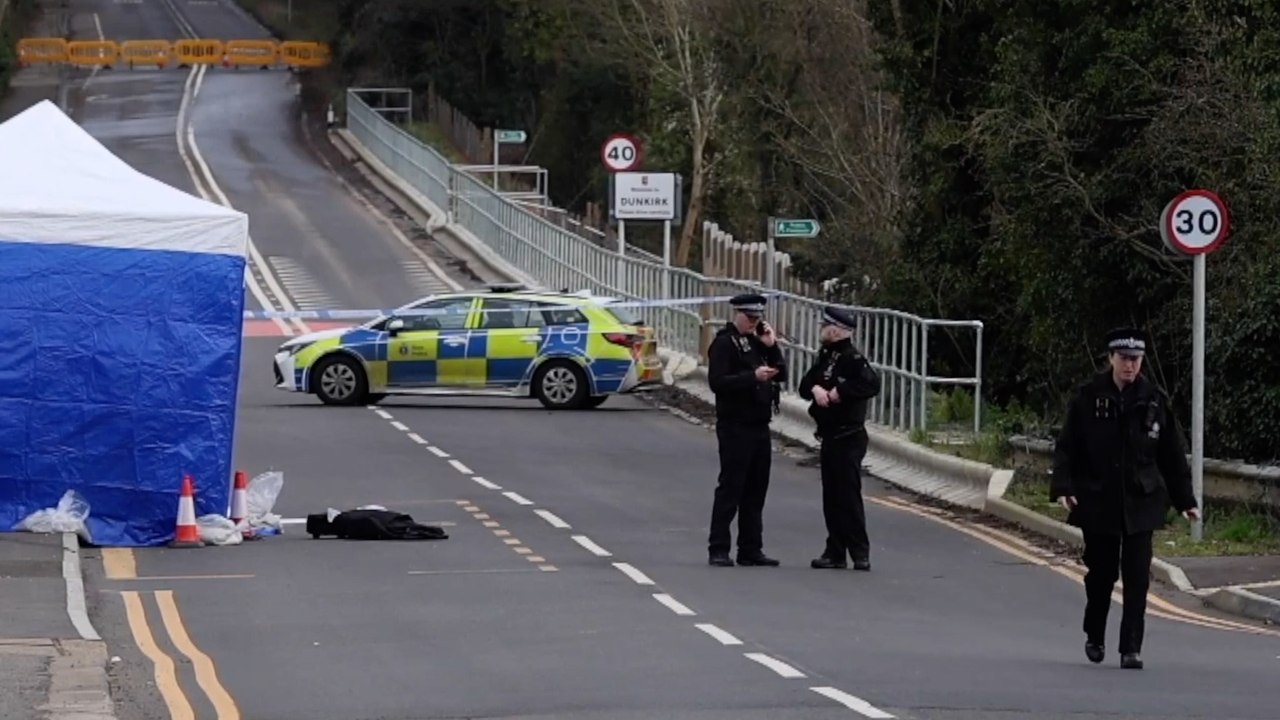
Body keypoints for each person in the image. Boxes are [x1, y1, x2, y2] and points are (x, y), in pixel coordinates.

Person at [1051, 326, 1199, 670]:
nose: (1130, 365)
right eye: (1124, 358)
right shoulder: (1088, 397)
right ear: (1111, 358)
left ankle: (1131, 648)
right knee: (1101, 575)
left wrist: (1186, 500)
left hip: (1141, 502)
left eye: (1136, 359)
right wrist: (1064, 488)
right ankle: (1095, 634)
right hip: (1098, 499)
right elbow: (1067, 447)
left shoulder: (1154, 400)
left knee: (1137, 578)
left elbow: (1172, 456)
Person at [706, 293, 788, 567]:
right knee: (731, 487)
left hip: (759, 424)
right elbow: (718, 382)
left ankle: (751, 548)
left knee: (756, 490)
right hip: (735, 425)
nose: (753, 323)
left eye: (757, 318)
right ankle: (719, 547)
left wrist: (772, 347)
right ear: (737, 314)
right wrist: (751, 377)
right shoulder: (724, 344)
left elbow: (781, 373)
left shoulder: (757, 343)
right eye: (749, 318)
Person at [799, 305, 881, 571]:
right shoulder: (826, 355)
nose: (821, 330)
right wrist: (816, 389)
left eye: (825, 326)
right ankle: (835, 551)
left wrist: (840, 392)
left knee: (848, 496)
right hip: (830, 435)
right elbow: (805, 384)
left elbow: (871, 384)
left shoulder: (852, 358)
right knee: (831, 497)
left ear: (836, 330)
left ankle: (860, 552)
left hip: (849, 435)